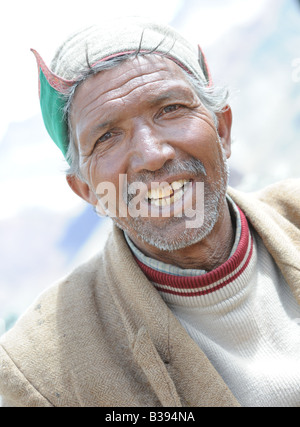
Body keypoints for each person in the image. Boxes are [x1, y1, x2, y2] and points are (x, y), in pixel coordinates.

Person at [0, 17, 299, 408]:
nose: (153, 155)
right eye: (107, 136)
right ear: (88, 191)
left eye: (171, 109)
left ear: (222, 129)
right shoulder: (39, 371)